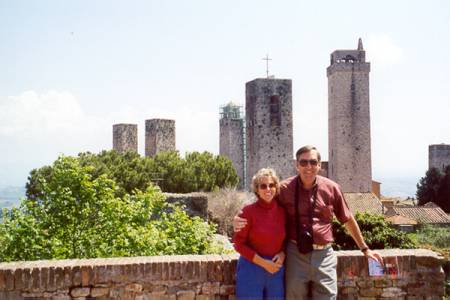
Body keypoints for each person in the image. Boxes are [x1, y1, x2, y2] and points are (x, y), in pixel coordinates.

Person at [234, 145, 383, 300]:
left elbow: (347, 219)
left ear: (319, 165)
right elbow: (263, 204)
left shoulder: (332, 188)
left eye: (313, 162)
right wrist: (238, 217)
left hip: (324, 255)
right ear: (296, 165)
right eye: (303, 162)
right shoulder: (284, 188)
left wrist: (365, 249)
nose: (308, 167)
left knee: (327, 297)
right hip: (295, 254)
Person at [233, 168, 286, 300]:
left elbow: (286, 240)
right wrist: (264, 263)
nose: (268, 189)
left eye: (271, 185)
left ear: (276, 187)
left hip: (275, 270)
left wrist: (282, 253)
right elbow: (239, 244)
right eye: (263, 186)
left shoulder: (283, 212)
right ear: (257, 189)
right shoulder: (248, 212)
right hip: (251, 270)